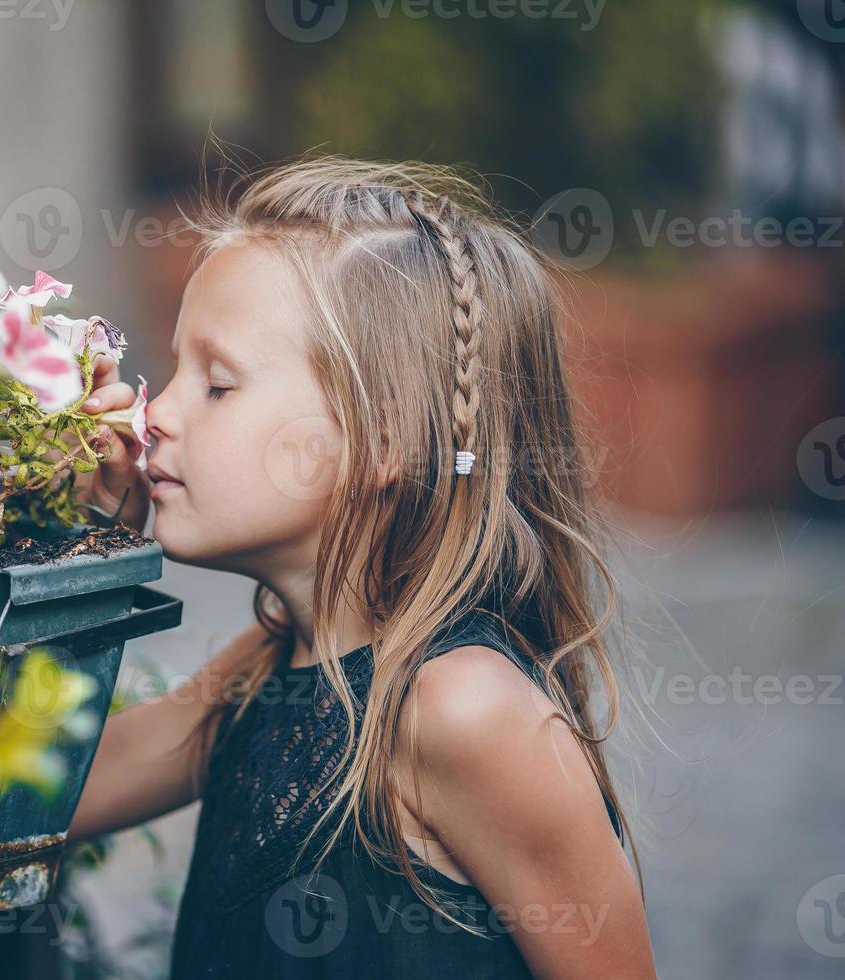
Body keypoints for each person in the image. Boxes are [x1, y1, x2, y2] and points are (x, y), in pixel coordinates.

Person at [66, 155, 657, 978]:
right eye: (174, 371)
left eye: (218, 384)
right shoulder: (268, 671)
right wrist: (88, 536)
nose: (154, 411)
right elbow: (52, 798)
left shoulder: (462, 710)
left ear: (381, 440)